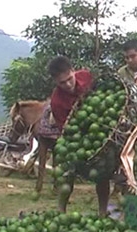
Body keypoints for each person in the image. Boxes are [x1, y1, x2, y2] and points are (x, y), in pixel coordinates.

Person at [48, 56, 115, 217]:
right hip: (77, 140)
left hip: (101, 131)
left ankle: (102, 211)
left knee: (103, 172)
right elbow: (67, 130)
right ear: (56, 82)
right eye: (62, 83)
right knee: (66, 172)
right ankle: (61, 211)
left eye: (69, 79)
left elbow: (102, 94)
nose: (68, 84)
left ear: (73, 71)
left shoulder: (86, 76)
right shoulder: (56, 101)